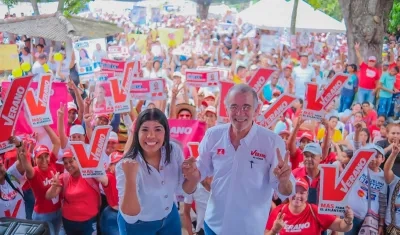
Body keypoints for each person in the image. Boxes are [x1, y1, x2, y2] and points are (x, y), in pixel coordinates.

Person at [184, 84, 295, 235]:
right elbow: (196, 178)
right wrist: (191, 175)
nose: (240, 113)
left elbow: (286, 191)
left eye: (246, 107)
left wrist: (283, 181)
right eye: (234, 106)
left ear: (257, 110)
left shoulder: (272, 142)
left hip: (249, 230)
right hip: (213, 226)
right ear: (226, 108)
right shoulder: (213, 135)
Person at [116, 108, 197, 235]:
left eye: (158, 129)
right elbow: (130, 217)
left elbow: (182, 190)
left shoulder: (173, 150)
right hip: (138, 226)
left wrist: (193, 177)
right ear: (137, 133)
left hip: (170, 217)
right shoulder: (126, 165)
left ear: (166, 132)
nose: (151, 136)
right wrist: (130, 180)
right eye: (145, 129)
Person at [265, 178, 354, 235]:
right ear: (289, 193)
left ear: (307, 195)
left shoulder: (314, 210)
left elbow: (341, 226)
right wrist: (274, 230)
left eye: (302, 193)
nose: (297, 196)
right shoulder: (278, 211)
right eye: (294, 191)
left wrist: (348, 220)